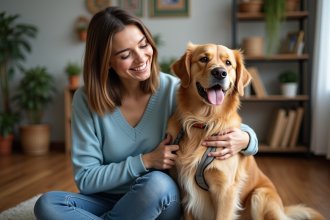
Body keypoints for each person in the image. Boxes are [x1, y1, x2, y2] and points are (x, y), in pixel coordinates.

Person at [34, 6, 258, 220]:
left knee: (157, 183)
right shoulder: (85, 100)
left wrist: (247, 138)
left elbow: (217, 119)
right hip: (104, 199)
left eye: (143, 45)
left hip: (159, 198)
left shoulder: (175, 89)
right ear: (107, 62)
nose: (141, 58)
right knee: (47, 204)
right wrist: (146, 161)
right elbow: (86, 179)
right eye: (125, 55)